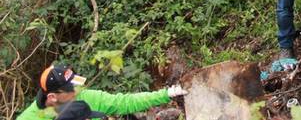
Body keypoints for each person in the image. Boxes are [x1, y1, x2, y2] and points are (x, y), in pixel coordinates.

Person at [16, 64, 187, 120]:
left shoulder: (87, 97)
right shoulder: (30, 117)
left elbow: (124, 103)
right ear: (52, 97)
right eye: (70, 89)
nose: (76, 90)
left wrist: (167, 94)